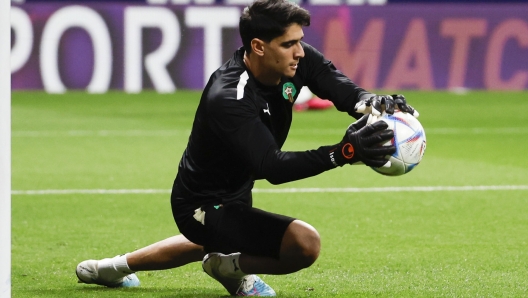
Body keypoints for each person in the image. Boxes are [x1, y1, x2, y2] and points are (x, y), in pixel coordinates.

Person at [75, 0, 419, 296]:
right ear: (258, 46)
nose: (300, 51)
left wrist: (370, 102)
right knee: (303, 244)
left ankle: (112, 268)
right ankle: (228, 268)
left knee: (215, 239)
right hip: (201, 201)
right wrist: (343, 153)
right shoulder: (229, 96)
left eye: (300, 41)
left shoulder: (295, 59)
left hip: (237, 190)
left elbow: (337, 86)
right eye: (289, 44)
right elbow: (273, 166)